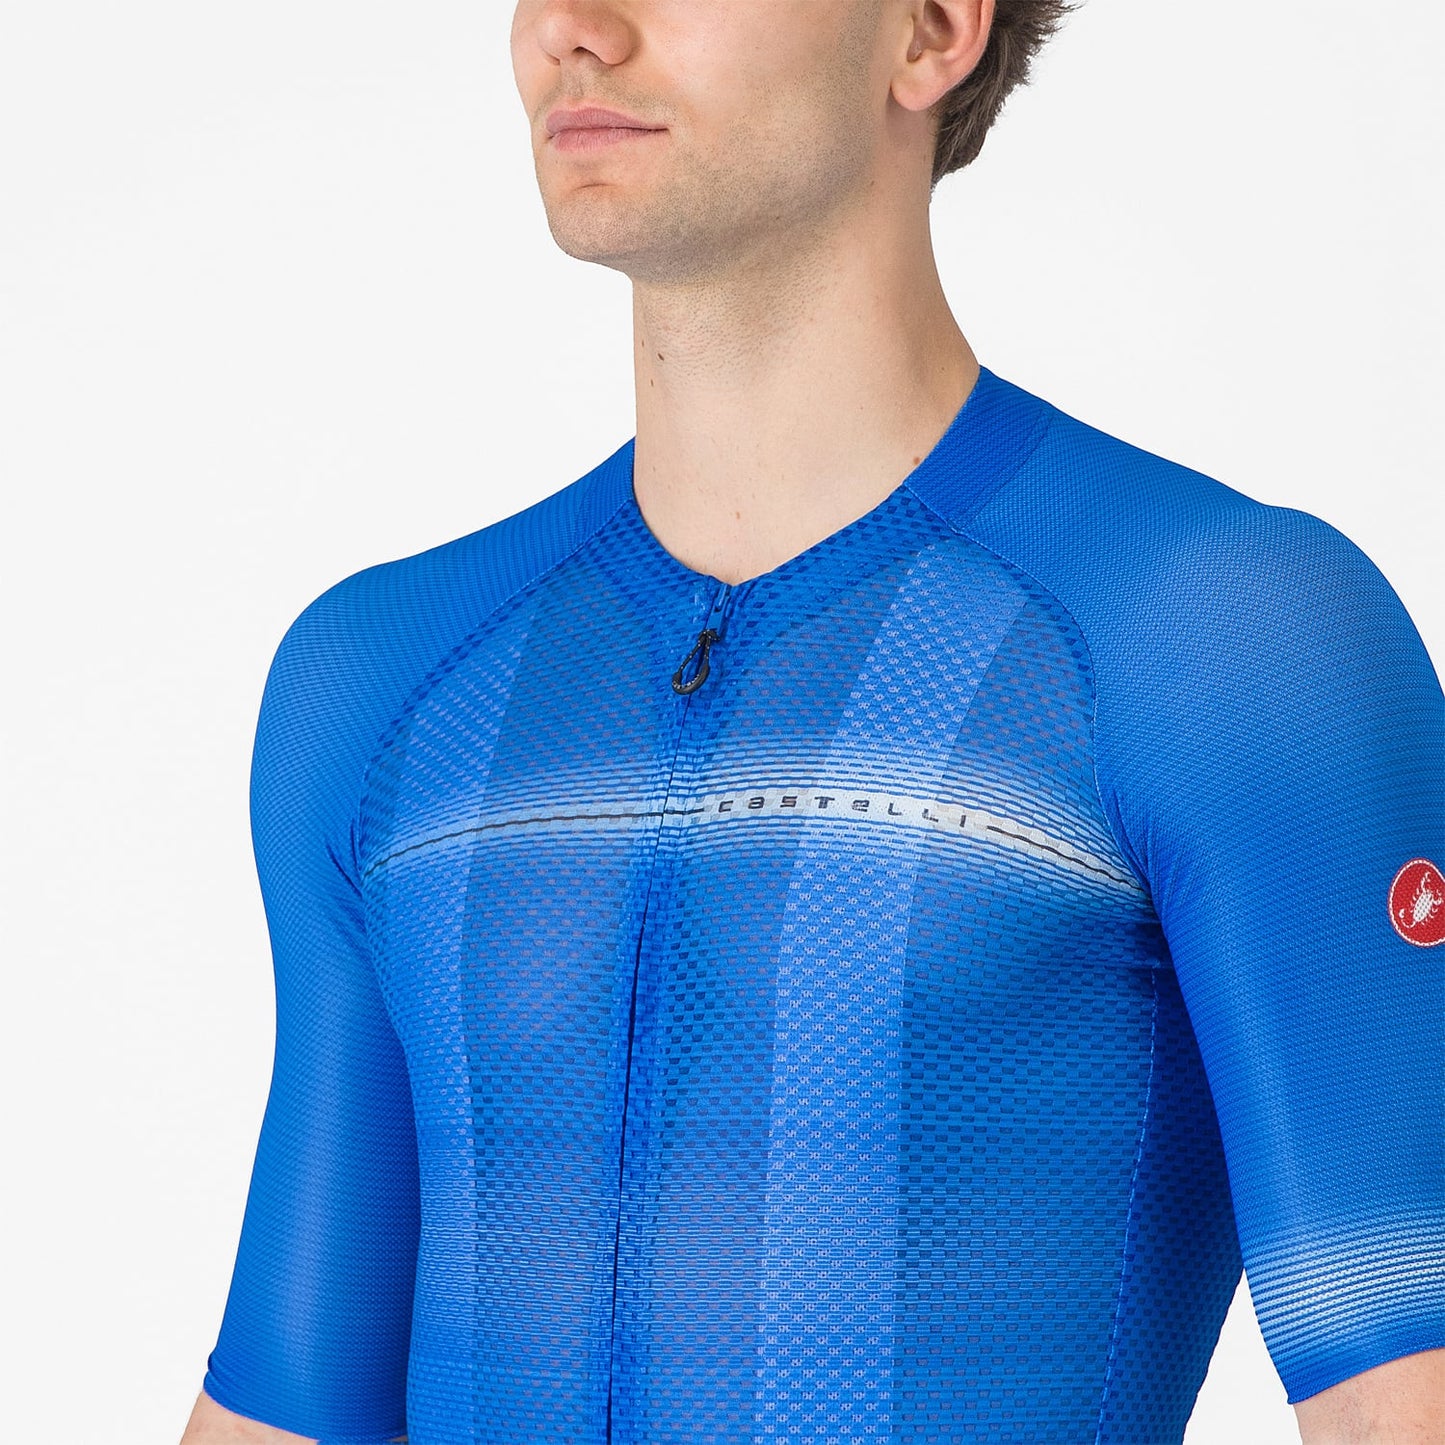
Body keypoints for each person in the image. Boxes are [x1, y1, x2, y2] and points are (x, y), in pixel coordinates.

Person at [180, 2, 1445, 1441]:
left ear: (930, 30)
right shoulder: (383, 681)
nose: (572, 29)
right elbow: (283, 1407)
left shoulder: (1213, 635)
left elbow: (1408, 1394)